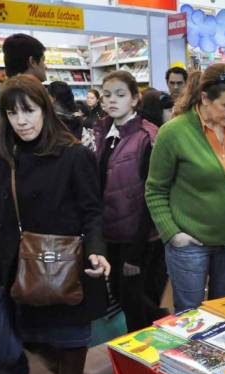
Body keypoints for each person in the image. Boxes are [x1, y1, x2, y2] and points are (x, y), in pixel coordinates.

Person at [0, 74, 110, 374]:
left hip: (67, 261)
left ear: (45, 109)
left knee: (71, 338)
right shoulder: (6, 158)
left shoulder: (75, 155)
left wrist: (97, 251)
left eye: (29, 110)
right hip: (20, 262)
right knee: (26, 334)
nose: (21, 121)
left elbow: (92, 210)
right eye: (12, 114)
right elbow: (0, 216)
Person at [145, 64, 225, 312]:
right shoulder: (173, 133)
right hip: (190, 243)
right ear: (204, 99)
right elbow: (155, 189)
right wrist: (172, 233)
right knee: (190, 314)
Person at [95, 71, 161, 332]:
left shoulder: (147, 137)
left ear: (135, 99)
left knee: (137, 304)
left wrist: (136, 250)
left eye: (120, 95)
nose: (112, 101)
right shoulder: (102, 131)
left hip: (139, 238)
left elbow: (150, 196)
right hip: (110, 233)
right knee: (123, 298)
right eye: (107, 95)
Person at [0, 34, 46, 166]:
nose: (45, 66)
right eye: (43, 60)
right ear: (32, 62)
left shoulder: (4, 92)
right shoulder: (18, 94)